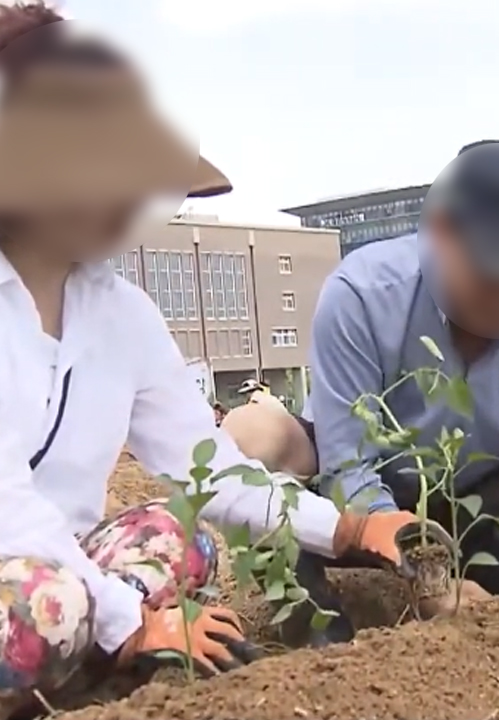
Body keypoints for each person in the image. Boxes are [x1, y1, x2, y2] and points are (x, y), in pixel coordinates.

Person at [0, 6, 419, 711]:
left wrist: (343, 528)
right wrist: (129, 620)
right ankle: (76, 654)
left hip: (55, 568)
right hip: (32, 573)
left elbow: (212, 468)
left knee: (178, 539)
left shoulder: (121, 314)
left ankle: (71, 660)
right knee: (51, 604)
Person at [221, 140, 499, 648]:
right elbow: (349, 468)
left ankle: (491, 605)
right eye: (498, 277)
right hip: (352, 509)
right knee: (249, 437)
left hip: (473, 501)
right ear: (443, 234)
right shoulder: (363, 294)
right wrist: (429, 583)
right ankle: (317, 620)